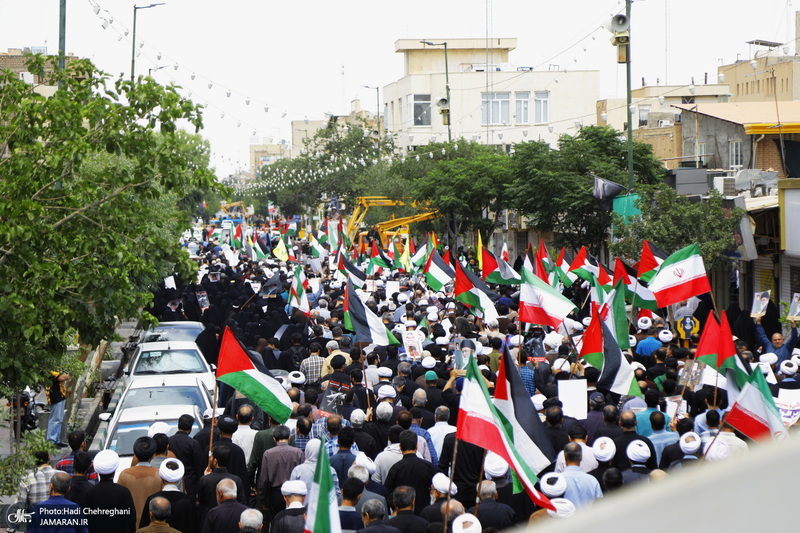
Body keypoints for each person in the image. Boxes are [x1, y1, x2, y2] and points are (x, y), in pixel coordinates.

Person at [82, 450, 138, 533]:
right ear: (114, 471)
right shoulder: (124, 492)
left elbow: (86, 520)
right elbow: (132, 519)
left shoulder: (90, 493)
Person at [259, 425, 304, 523]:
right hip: (294, 494)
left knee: (276, 521)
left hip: (275, 494)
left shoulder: (268, 453)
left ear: (274, 439)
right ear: (289, 437)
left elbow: (264, 479)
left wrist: (263, 498)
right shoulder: (298, 452)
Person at [383, 430, 435, 515]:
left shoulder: (396, 468)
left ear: (400, 447)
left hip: (401, 515)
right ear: (416, 446)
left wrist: (395, 507)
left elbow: (387, 492)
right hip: (424, 514)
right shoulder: (428, 467)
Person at [139, 459, 197, 533]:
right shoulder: (188, 501)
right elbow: (193, 528)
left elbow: (144, 527)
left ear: (162, 477)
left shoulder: (153, 500)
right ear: (179, 479)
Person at [118, 436, 163, 523]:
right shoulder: (159, 475)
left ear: (135, 455)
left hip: (130, 523)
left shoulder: (124, 474)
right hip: (152, 524)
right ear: (153, 455)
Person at [167, 414, 205, 499]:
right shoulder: (193, 443)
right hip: (190, 484)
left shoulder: (169, 441)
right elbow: (199, 466)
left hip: (171, 480)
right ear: (190, 428)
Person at [560, 442, 603, 509]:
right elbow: (600, 505)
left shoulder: (559, 480)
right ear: (581, 457)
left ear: (565, 457)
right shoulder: (592, 480)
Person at [47, 370, 70, 446]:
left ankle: (57, 440)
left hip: (60, 396)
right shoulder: (51, 370)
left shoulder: (56, 369)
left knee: (59, 419)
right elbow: (62, 378)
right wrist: (67, 375)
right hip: (55, 397)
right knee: (55, 419)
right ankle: (51, 441)